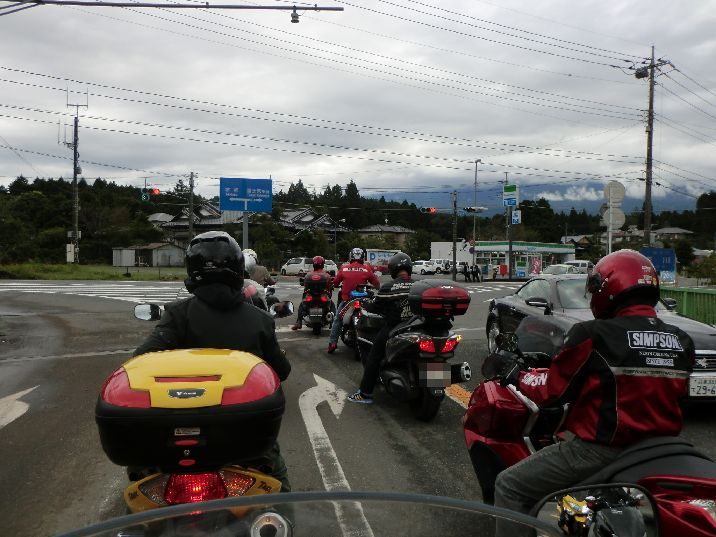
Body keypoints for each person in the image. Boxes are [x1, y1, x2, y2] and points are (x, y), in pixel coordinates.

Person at [493, 249, 694, 537]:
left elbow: (552, 391)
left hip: (601, 450)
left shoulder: (593, 334)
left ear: (607, 288)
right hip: (662, 448)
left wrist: (517, 375)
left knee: (509, 485)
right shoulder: (681, 340)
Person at [133, 231, 293, 491]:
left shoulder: (177, 315)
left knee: (144, 483)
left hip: (182, 432)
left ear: (192, 270)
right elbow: (282, 371)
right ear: (238, 269)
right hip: (244, 434)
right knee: (278, 484)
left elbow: (141, 361)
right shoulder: (260, 320)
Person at [347, 252, 415, 404]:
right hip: (417, 327)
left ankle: (365, 393)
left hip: (394, 329)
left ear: (393, 269)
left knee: (374, 356)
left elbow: (375, 308)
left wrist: (364, 302)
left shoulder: (389, 287)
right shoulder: (419, 285)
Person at [326, 247, 380, 354]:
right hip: (364, 302)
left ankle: (332, 343)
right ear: (362, 257)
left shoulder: (344, 268)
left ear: (351, 257)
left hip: (348, 302)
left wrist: (336, 284)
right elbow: (377, 284)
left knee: (338, 319)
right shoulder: (367, 269)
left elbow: (335, 283)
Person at [292, 255, 333, 330]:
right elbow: (330, 286)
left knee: (302, 304)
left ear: (313, 264)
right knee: (332, 304)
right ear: (323, 264)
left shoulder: (308, 274)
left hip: (311, 296)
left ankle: (298, 322)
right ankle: (333, 323)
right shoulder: (327, 275)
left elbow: (305, 286)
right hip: (323, 296)